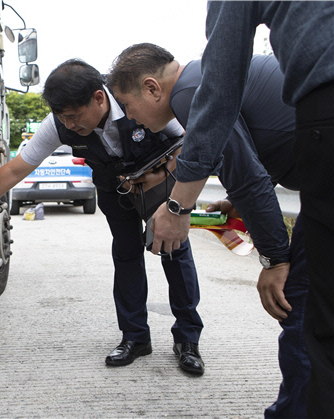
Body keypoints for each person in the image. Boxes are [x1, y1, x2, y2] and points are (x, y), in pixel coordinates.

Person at [0, 59, 206, 375]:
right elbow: (14, 170)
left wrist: (160, 178)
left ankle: (188, 340)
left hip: (159, 183)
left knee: (173, 251)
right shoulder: (59, 123)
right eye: (63, 118)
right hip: (114, 189)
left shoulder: (134, 97)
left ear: (98, 97)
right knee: (126, 255)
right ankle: (135, 338)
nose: (70, 125)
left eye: (75, 117)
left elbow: (192, 140)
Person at [133, 3, 333, 417]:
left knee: (301, 302)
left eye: (130, 108)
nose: (134, 120)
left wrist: (275, 258)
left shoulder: (191, 90)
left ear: (152, 88)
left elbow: (245, 171)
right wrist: (237, 202)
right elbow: (269, 152)